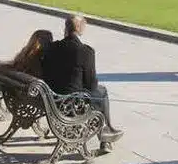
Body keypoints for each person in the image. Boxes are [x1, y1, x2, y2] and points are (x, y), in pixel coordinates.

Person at [42, 15, 123, 154]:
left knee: (99, 92)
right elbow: (91, 84)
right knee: (101, 92)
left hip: (52, 98)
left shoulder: (52, 47)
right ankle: (105, 134)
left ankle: (107, 130)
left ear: (66, 28)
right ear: (79, 28)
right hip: (71, 102)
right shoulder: (86, 51)